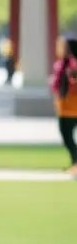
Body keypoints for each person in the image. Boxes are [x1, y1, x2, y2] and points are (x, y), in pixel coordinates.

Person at [50, 36, 77, 175]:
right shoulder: (62, 64)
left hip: (70, 108)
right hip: (64, 107)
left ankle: (75, 164)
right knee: (68, 138)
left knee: (67, 137)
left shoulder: (71, 65)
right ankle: (74, 163)